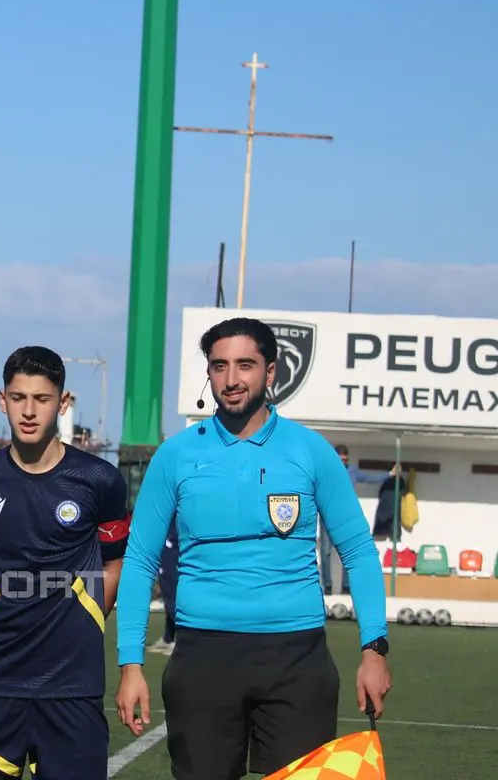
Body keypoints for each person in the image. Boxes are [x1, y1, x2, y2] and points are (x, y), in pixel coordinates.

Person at [115, 317, 393, 779]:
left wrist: (374, 649)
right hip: (203, 657)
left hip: (297, 658)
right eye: (219, 366)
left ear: (271, 371)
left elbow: (359, 551)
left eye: (245, 364)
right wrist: (130, 664)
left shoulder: (311, 450)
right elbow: (141, 560)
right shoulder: (176, 456)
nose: (231, 378)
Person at [0, 346, 130, 780]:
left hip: (72, 687)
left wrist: (82, 618)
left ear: (62, 403)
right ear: (2, 400)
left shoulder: (101, 480)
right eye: (18, 397)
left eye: (42, 399)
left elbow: (115, 563)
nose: (29, 411)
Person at [318, 446, 394, 595]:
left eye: (345, 460)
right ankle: (327, 585)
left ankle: (346, 586)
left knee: (347, 550)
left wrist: (389, 474)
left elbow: (369, 479)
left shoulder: (352, 471)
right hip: (327, 515)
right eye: (340, 460)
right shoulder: (325, 471)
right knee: (326, 551)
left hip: (345, 517)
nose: (343, 462)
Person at [145, 520, 179, 656]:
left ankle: (179, 641)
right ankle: (168, 637)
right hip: (167, 547)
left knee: (172, 595)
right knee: (168, 594)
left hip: (173, 548)